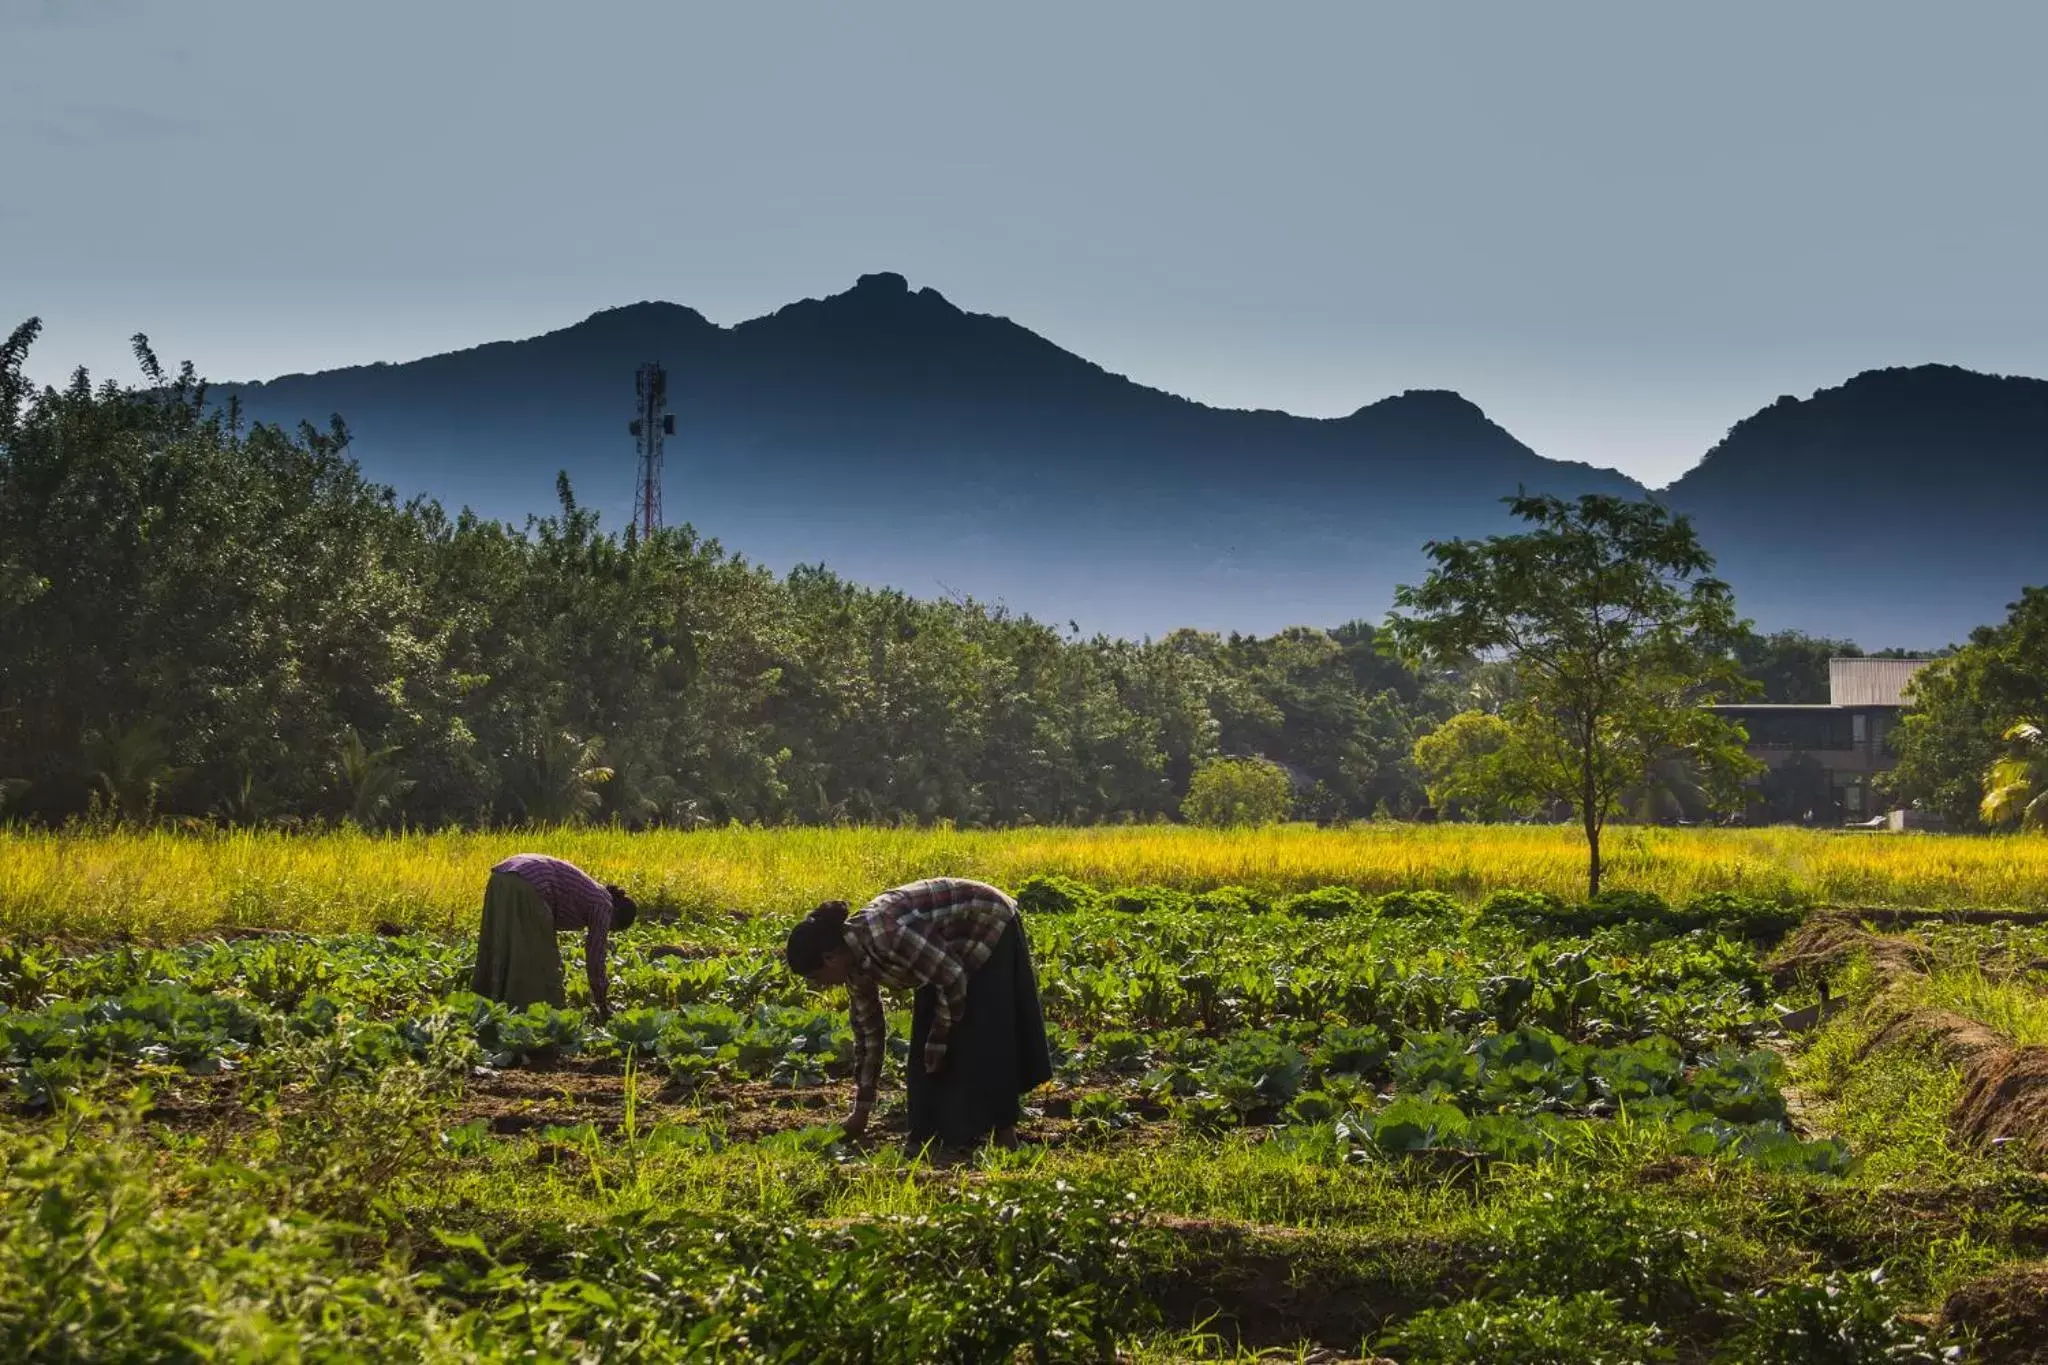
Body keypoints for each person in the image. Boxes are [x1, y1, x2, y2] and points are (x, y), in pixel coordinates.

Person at [784, 877, 1053, 1153]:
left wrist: (939, 1036)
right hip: (941, 952)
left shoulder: (884, 935)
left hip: (984, 919)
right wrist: (861, 1110)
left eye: (817, 977)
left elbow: (952, 976)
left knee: (980, 1029)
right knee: (928, 1045)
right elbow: (869, 1035)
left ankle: (1003, 1133)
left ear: (830, 958)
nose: (821, 985)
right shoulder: (854, 969)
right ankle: (932, 1134)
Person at [472, 853, 636, 1021]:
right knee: (539, 961)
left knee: (502, 941)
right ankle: (527, 1016)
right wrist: (602, 1003)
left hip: (501, 877)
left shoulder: (594, 892)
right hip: (529, 884)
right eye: (611, 928)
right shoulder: (604, 906)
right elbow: (595, 956)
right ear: (615, 918)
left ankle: (485, 1004)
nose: (606, 929)